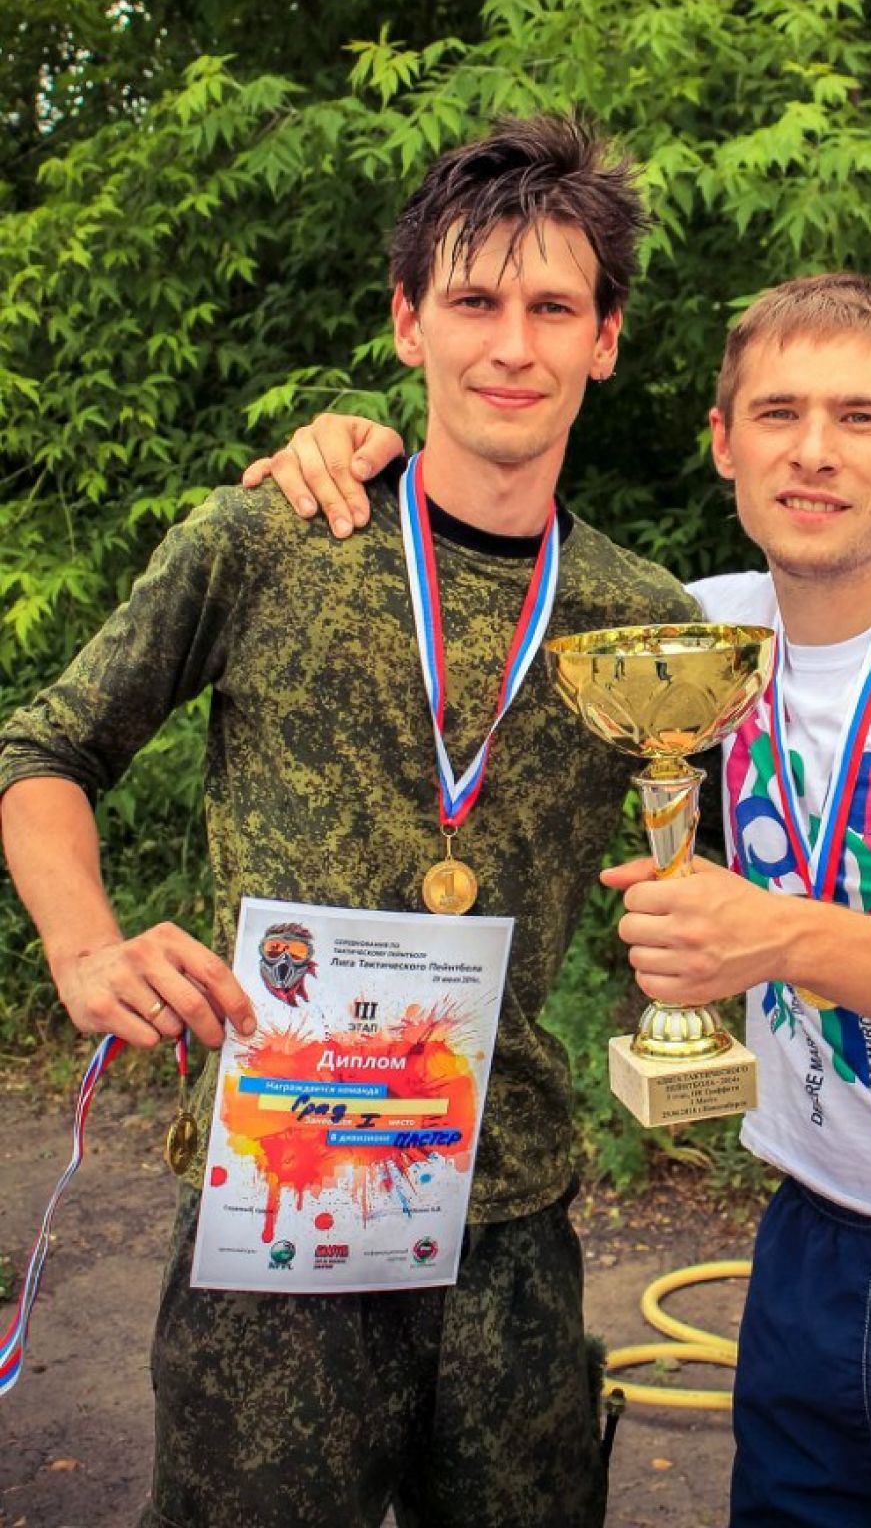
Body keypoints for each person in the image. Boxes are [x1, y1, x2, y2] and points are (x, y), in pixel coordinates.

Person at [259, 274, 871, 1527]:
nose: (814, 451)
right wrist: (352, 463)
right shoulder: (692, 632)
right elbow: (472, 576)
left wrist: (778, 936)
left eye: (861, 417)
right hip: (811, 1243)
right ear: (723, 442)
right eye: (778, 413)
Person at [0, 114, 698, 1528]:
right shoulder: (272, 537)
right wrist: (83, 946)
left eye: (554, 307)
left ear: (606, 340)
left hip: (509, 1220)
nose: (512, 345)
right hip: (274, 1200)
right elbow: (45, 748)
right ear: (407, 323)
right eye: (474, 301)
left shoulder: (647, 626)